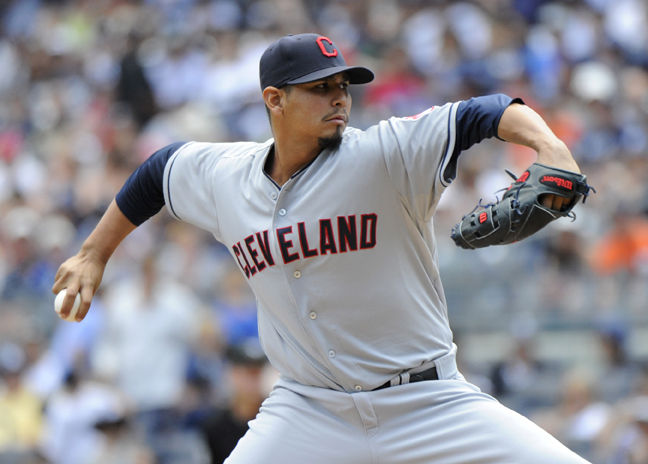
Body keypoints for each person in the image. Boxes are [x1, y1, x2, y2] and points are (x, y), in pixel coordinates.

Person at [53, 33, 590, 463]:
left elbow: (484, 112)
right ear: (274, 99)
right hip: (309, 410)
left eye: (343, 85)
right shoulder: (224, 176)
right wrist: (94, 253)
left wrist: (551, 147)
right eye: (320, 87)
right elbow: (156, 173)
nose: (339, 97)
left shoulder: (385, 153)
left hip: (427, 402)